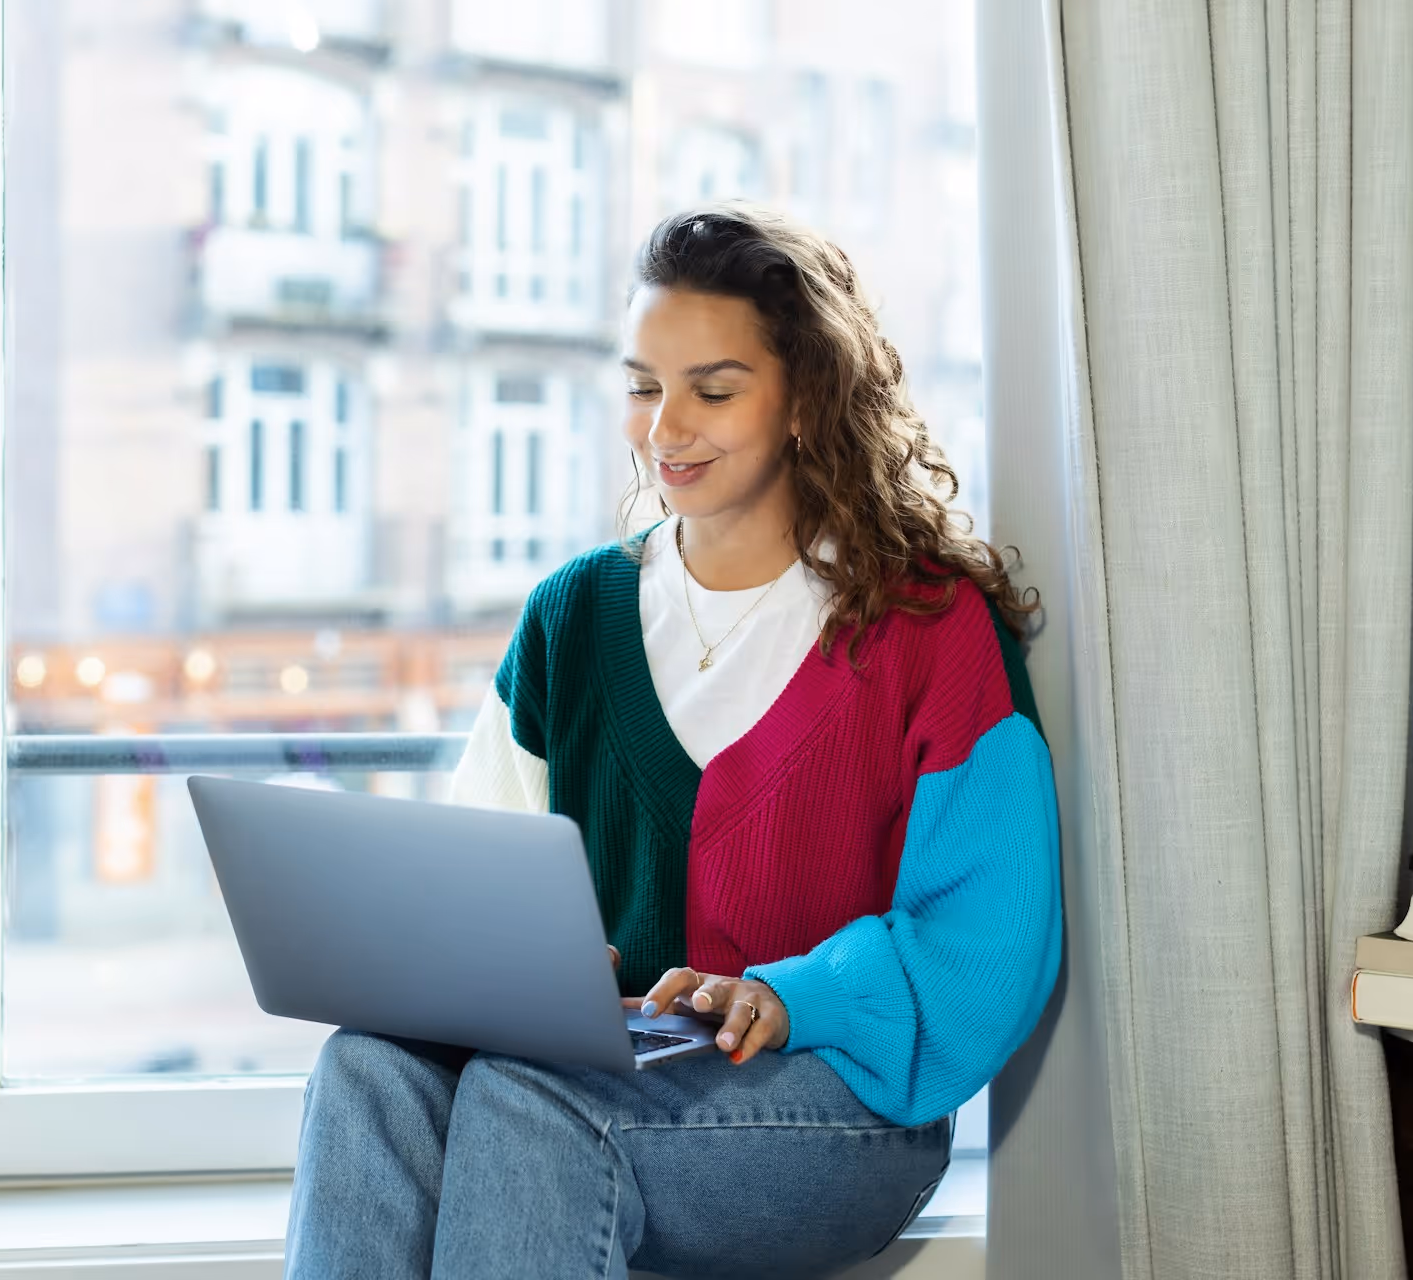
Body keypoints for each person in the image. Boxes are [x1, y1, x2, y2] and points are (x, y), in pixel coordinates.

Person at [283, 204, 1063, 1280]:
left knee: (529, 1104)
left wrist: (797, 992)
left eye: (714, 387)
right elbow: (477, 876)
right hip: (599, 1067)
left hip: (843, 1107)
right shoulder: (571, 615)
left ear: (804, 399)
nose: (665, 425)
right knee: (367, 1070)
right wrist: (522, 963)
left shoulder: (926, 628)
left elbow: (990, 933)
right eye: (644, 384)